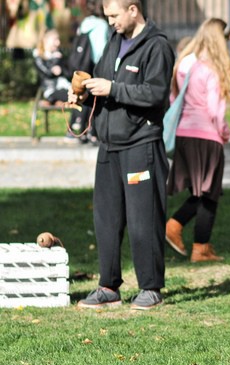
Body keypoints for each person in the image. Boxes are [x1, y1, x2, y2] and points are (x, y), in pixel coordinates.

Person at [71, 0, 175, 310]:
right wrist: (84, 93)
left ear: (133, 9)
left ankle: (151, 287)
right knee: (106, 219)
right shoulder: (114, 41)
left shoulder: (157, 46)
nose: (111, 22)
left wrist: (113, 88)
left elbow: (156, 93)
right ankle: (108, 286)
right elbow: (103, 83)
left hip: (141, 144)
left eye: (114, 15)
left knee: (144, 218)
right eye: (107, 16)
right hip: (109, 145)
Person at [165, 18, 230, 262]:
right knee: (210, 193)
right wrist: (225, 132)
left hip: (185, 134)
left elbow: (175, 99)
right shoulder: (213, 70)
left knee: (200, 191)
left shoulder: (186, 64)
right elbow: (215, 111)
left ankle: (192, 239)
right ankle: (192, 241)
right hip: (207, 136)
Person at [68, 0, 110, 143]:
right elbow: (101, 50)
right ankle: (92, 131)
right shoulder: (102, 25)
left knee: (81, 95)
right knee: (93, 97)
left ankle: (77, 127)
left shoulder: (85, 23)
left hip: (82, 67)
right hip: (95, 66)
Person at [32, 29, 71, 104]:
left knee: (80, 95)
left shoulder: (59, 54)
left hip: (64, 87)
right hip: (50, 90)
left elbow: (68, 73)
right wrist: (55, 59)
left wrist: (61, 67)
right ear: (46, 40)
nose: (58, 43)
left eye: (58, 39)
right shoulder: (38, 57)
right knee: (74, 97)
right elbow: (48, 73)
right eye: (55, 39)